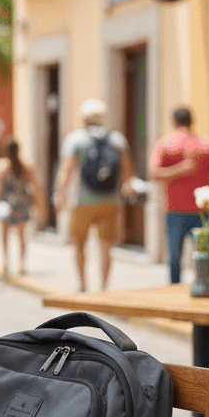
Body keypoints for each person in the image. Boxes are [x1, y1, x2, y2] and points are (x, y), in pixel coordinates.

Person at [53, 99, 136, 292]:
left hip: (82, 201)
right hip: (110, 201)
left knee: (79, 245)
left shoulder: (76, 139)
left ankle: (83, 284)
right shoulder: (116, 139)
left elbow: (67, 170)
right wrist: (127, 189)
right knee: (106, 246)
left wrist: (60, 194)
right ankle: (104, 287)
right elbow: (128, 172)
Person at [149, 106, 209, 284]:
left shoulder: (165, 143)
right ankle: (204, 286)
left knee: (175, 257)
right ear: (192, 120)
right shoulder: (207, 143)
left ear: (173, 121)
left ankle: (174, 291)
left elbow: (154, 173)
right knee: (204, 255)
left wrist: (177, 170)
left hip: (175, 210)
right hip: (201, 211)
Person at [0, 137, 41, 278]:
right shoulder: (26, 166)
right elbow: (36, 187)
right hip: (22, 204)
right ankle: (22, 265)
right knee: (22, 236)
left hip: (7, 204)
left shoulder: (1, 166)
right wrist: (39, 206)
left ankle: (6, 263)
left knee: (5, 235)